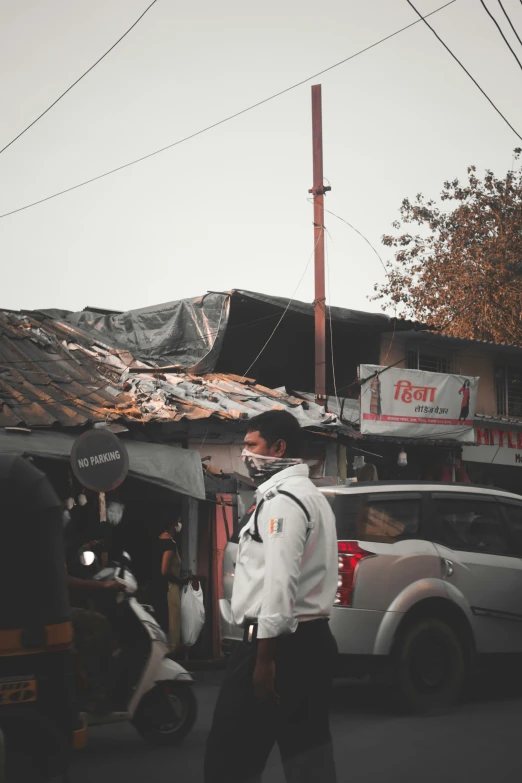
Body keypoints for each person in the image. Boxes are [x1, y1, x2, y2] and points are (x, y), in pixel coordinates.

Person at [204, 410, 339, 783]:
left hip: (275, 649)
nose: (245, 454)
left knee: (228, 762)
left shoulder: (283, 501)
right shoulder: (311, 497)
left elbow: (280, 584)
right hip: (309, 643)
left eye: (251, 445)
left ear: (278, 448)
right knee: (308, 760)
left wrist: (264, 661)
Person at [151, 516, 189, 651]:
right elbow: (165, 570)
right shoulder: (169, 544)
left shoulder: (159, 540)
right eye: (178, 520)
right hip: (169, 588)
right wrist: (181, 580)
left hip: (158, 587)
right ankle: (171, 653)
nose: (180, 523)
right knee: (172, 621)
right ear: (173, 523)